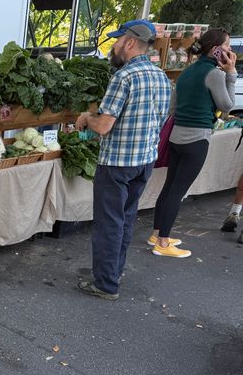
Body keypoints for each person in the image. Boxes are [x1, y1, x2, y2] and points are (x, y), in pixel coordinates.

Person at [75, 20, 171, 301]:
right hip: (144, 161)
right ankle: (113, 273)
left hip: (117, 163)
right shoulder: (161, 77)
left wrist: (86, 118)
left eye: (117, 40)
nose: (114, 46)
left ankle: (105, 284)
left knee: (109, 223)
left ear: (129, 42)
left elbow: (104, 126)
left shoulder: (124, 77)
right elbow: (161, 119)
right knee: (126, 220)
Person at [150, 29, 237, 257]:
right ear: (215, 49)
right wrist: (231, 74)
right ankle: (163, 243)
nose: (230, 50)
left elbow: (172, 108)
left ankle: (156, 233)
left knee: (169, 187)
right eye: (227, 46)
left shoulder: (187, 71)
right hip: (197, 139)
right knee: (177, 192)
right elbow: (227, 106)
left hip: (176, 136)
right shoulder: (215, 74)